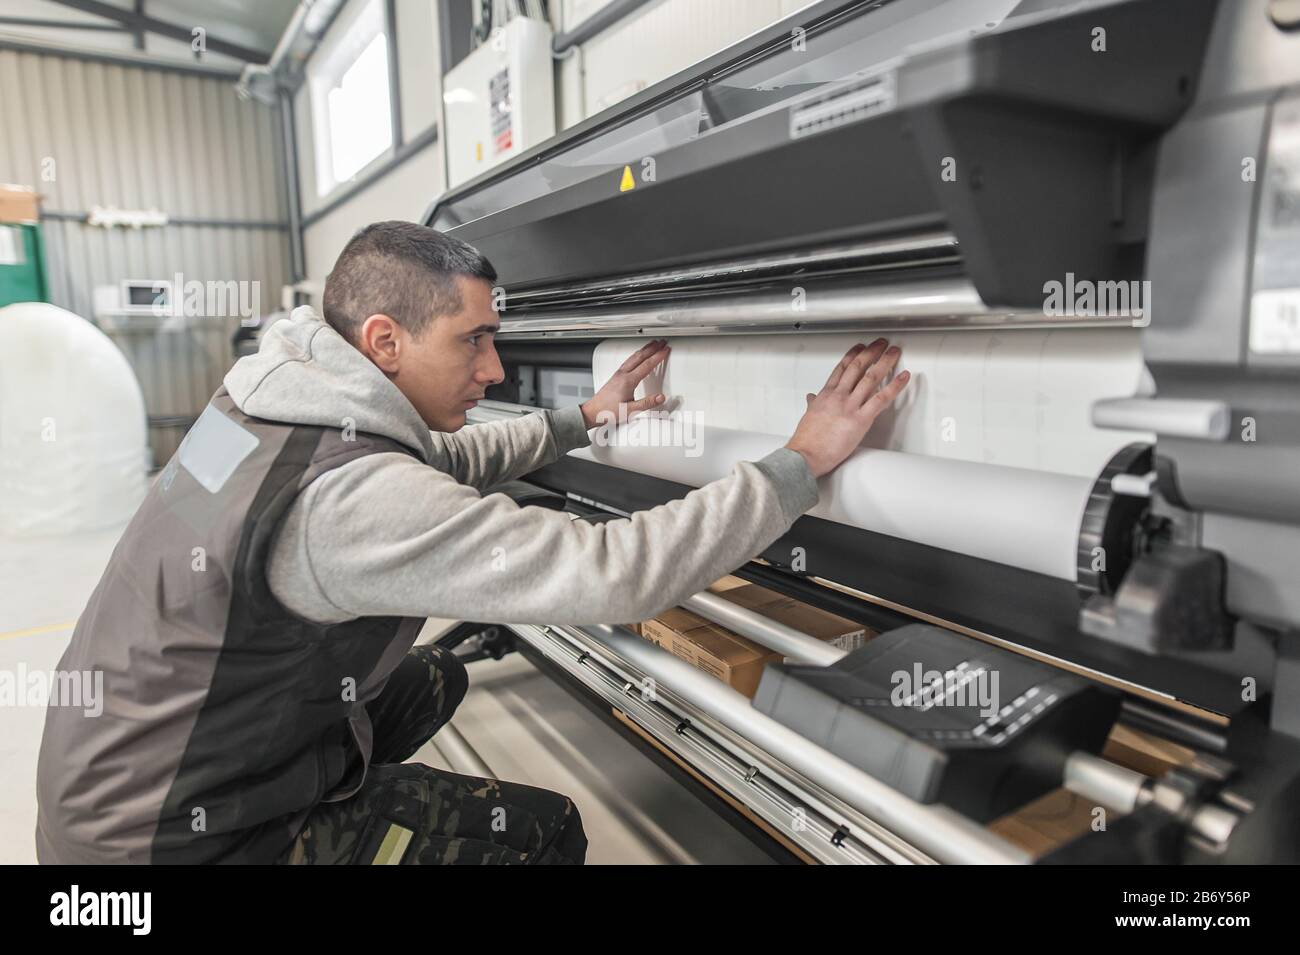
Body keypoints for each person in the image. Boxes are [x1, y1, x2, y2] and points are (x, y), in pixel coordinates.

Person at [36, 220, 908, 864]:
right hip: (171, 846)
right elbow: (612, 572)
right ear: (384, 342)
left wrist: (581, 420)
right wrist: (799, 463)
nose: (493, 370)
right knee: (542, 831)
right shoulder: (348, 504)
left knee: (429, 677)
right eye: (475, 340)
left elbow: (439, 458)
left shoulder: (262, 406)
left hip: (113, 784)